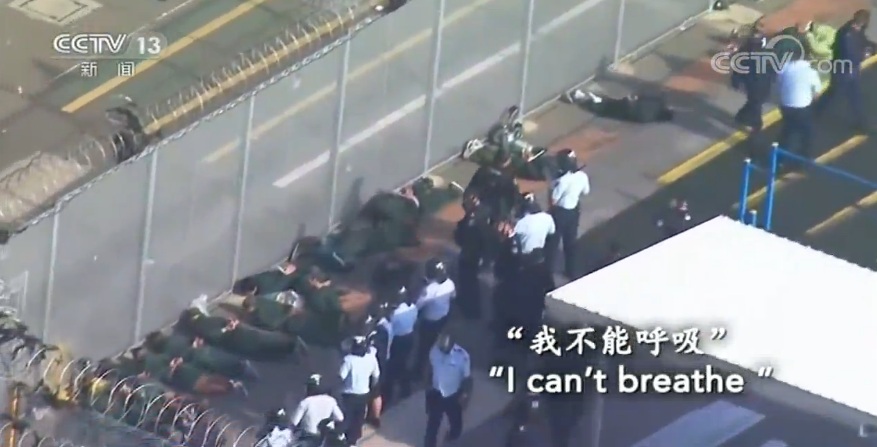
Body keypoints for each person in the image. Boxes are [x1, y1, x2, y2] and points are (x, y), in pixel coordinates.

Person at [816, 9, 871, 130]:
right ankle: (817, 110)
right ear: (863, 22)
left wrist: (869, 47)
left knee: (850, 95)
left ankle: (861, 122)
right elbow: (850, 55)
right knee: (841, 93)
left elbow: (863, 41)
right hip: (843, 70)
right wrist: (863, 55)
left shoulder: (853, 29)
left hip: (847, 70)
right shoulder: (847, 35)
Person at [177, 308, 301, 360]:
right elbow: (215, 333)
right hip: (242, 337)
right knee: (265, 340)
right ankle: (288, 346)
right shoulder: (205, 326)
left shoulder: (204, 328)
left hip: (239, 339)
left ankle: (287, 346)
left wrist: (229, 326)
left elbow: (214, 334)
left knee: (263, 341)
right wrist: (232, 325)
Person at [544, 149, 590, 277]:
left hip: (560, 213)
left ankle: (547, 272)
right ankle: (571, 271)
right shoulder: (582, 176)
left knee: (552, 244)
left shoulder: (562, 181)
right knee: (570, 242)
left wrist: (551, 186)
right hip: (574, 211)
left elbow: (553, 200)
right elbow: (585, 192)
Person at [143, 331, 259, 380]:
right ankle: (239, 368)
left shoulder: (169, 348)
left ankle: (239, 368)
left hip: (198, 356)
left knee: (217, 366)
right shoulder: (174, 342)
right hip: (199, 355)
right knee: (217, 364)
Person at [424, 333, 472, 447]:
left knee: (455, 419)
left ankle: (453, 434)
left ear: (452, 345)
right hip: (436, 392)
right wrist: (427, 386)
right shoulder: (435, 350)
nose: (441, 351)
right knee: (433, 423)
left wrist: (465, 394)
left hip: (453, 394)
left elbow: (467, 377)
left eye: (444, 349)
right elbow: (430, 367)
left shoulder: (462, 356)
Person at [131, 347, 246, 395]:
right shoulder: (156, 362)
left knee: (211, 382)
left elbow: (167, 376)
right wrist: (175, 365)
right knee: (210, 382)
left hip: (189, 377)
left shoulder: (153, 364)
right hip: (189, 376)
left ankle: (231, 385)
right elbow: (167, 375)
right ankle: (231, 385)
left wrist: (175, 364)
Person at [776, 45, 821, 158]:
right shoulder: (811, 72)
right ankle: (805, 157)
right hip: (802, 108)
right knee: (807, 133)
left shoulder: (784, 67)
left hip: (786, 105)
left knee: (788, 130)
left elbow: (779, 82)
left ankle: (779, 157)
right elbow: (817, 93)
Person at [413, 259, 456, 377]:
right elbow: (453, 297)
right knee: (438, 345)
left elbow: (417, 305)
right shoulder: (450, 283)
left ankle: (419, 372)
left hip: (429, 322)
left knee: (424, 348)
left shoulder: (429, 290)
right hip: (444, 318)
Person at [454, 194, 490, 320]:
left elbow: (460, 238)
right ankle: (467, 304)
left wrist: (483, 258)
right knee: (467, 281)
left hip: (471, 256)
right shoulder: (478, 217)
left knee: (470, 283)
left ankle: (472, 311)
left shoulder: (478, 220)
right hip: (470, 254)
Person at [338, 336, 380, 445]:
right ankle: (353, 441)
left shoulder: (348, 360)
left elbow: (341, 376)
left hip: (349, 394)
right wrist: (372, 387)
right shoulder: (371, 358)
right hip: (364, 394)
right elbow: (376, 376)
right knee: (358, 418)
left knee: (347, 417)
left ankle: (343, 439)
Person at [731, 35, 773, 132]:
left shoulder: (744, 54)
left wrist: (736, 82)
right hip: (758, 83)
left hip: (757, 82)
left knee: (755, 102)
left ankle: (741, 117)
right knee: (757, 103)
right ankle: (756, 125)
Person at [466, 148, 521, 221]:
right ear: (507, 161)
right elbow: (514, 194)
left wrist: (471, 196)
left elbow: (472, 185)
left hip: (481, 202)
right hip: (492, 207)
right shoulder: (508, 174)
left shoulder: (484, 169)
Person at [383, 286, 418, 403]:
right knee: (405, 363)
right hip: (409, 337)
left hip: (397, 341)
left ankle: (389, 395)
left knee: (392, 369)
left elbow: (389, 327)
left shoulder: (395, 313)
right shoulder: (412, 307)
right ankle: (405, 390)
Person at [290, 374, 345, 441]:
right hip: (325, 437)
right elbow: (340, 418)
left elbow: (294, 422)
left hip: (308, 437)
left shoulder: (306, 402)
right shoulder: (331, 400)